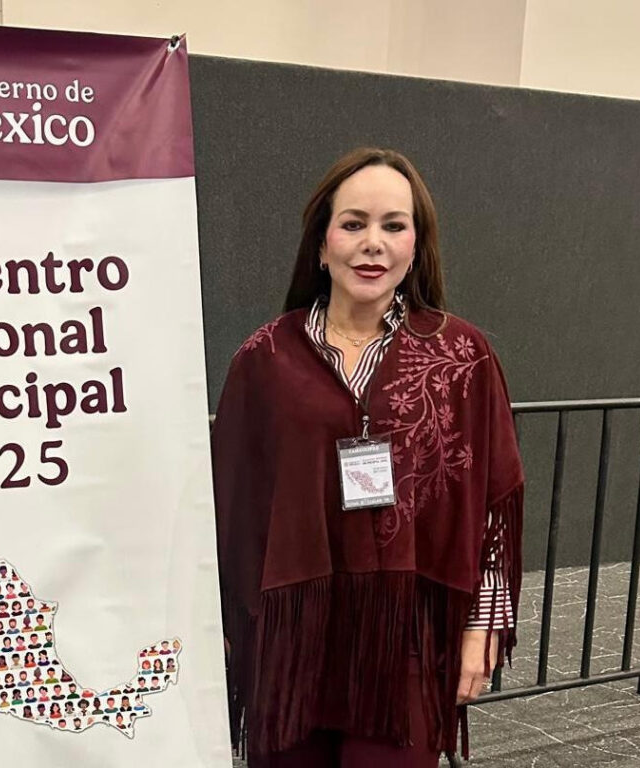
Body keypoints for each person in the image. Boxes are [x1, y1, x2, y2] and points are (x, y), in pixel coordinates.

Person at [213, 148, 524, 768]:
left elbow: (493, 502)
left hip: (404, 640)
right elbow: (229, 505)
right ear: (322, 244)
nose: (372, 244)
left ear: (416, 245)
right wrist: (221, 624)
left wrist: (482, 627)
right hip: (293, 641)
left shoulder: (462, 356)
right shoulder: (265, 359)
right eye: (353, 224)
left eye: (393, 225)